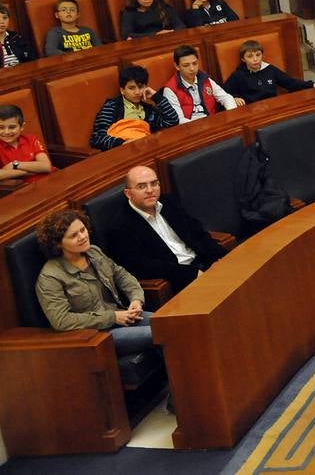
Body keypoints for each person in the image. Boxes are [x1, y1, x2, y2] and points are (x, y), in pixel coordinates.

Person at [34, 210, 151, 357]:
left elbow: (121, 275)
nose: (82, 237)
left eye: (82, 230)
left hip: (123, 316)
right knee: (161, 332)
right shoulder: (50, 277)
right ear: (58, 244)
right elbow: (61, 321)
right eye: (73, 236)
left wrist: (136, 299)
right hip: (96, 335)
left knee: (171, 323)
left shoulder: (94, 252)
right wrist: (112, 317)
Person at [101, 165, 227, 293]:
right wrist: (192, 273)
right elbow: (142, 266)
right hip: (175, 280)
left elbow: (197, 232)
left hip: (202, 262)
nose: (150, 190)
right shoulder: (119, 227)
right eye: (142, 186)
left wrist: (216, 258)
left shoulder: (169, 202)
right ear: (128, 193)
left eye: (154, 184)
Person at [90, 65, 176, 151]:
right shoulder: (112, 106)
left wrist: (156, 97)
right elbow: (98, 137)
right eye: (131, 88)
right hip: (122, 150)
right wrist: (122, 143)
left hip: (145, 147)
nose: (137, 92)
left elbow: (172, 121)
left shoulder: (148, 110)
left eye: (141, 87)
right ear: (122, 90)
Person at [162, 45, 241, 124]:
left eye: (195, 63)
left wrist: (231, 116)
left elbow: (226, 97)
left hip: (213, 123)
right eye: (186, 65)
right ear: (177, 66)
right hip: (190, 129)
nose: (192, 69)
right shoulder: (170, 90)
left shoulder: (204, 78)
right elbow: (179, 120)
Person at [223, 39, 315, 103]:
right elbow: (225, 92)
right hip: (252, 111)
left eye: (258, 55)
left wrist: (311, 84)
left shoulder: (270, 69)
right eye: (250, 56)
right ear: (243, 59)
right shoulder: (238, 75)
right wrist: (234, 98)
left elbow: (290, 82)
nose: (255, 59)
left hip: (273, 105)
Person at [0, 104, 53, 188]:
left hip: (51, 179)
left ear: (21, 127)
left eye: (12, 127)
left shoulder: (31, 139)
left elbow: (46, 166)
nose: (6, 132)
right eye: (1, 127)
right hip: (25, 188)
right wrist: (27, 171)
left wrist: (15, 165)